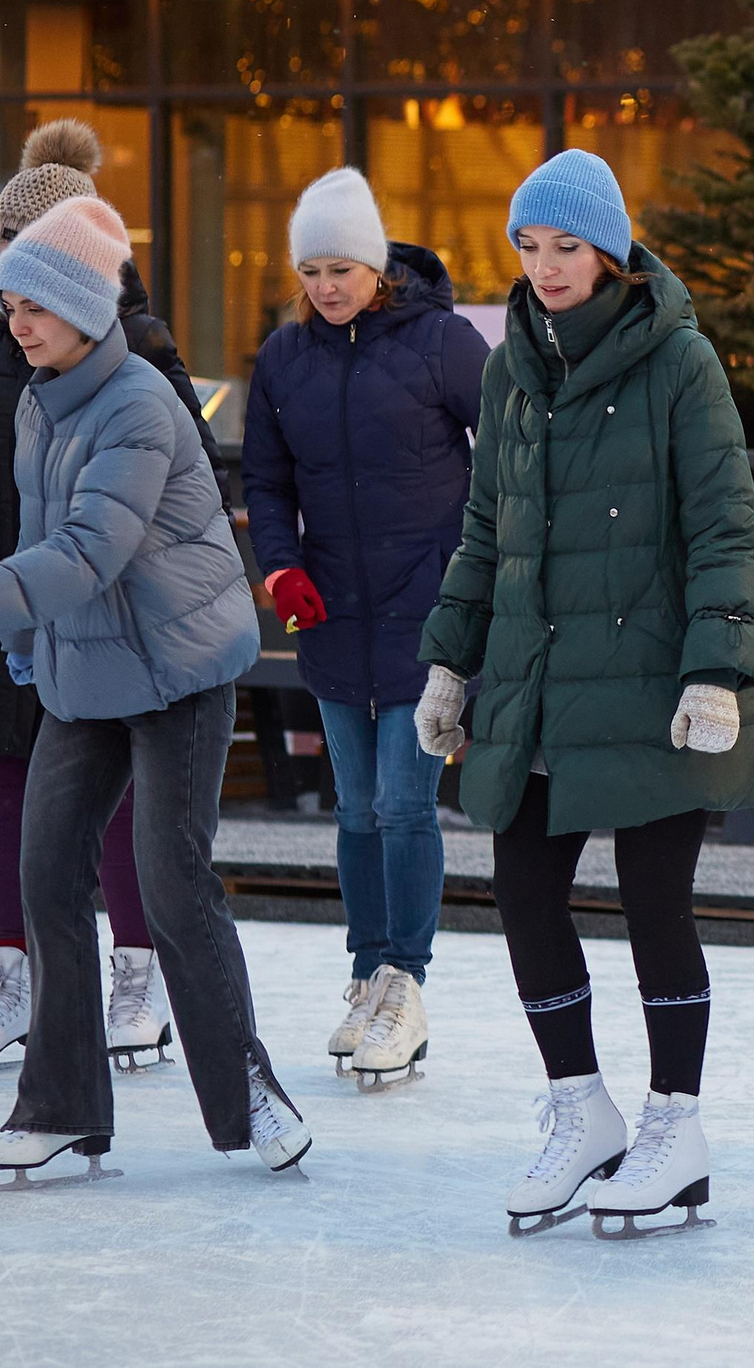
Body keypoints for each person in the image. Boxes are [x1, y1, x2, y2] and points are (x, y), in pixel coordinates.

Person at [0, 195, 299, 1184]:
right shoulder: (39, 399)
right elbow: (43, 545)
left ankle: (247, 1088)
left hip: (179, 672)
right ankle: (63, 1106)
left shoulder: (141, 408)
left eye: (33, 305)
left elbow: (87, 552)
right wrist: (31, 638)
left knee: (170, 883)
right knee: (46, 875)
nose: (17, 323)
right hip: (88, 670)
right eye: (8, 306)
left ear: (82, 305)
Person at [415, 148, 754, 1238]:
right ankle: (582, 1111)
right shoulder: (507, 364)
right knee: (523, 894)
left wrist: (714, 670)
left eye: (567, 246)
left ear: (609, 252)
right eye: (529, 245)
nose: (547, 265)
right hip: (532, 674)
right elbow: (486, 530)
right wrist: (448, 659)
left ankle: (675, 1125)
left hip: (650, 677)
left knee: (655, 904)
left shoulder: (679, 361)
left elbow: (722, 525)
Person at [0, 119, 217, 1074]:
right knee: (4, 788)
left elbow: (190, 475)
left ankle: (134, 970)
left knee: (114, 795)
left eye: (25, 265)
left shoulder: (142, 345)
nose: (8, 296)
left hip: (108, 608)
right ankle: (17, 970)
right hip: (5, 596)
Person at [243, 168, 487, 1089]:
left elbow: (509, 451)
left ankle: (406, 985)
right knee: (351, 809)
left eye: (341, 265)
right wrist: (280, 564)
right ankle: (367, 972)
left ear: (376, 264)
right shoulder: (284, 357)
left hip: (428, 617)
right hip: (333, 613)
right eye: (310, 269)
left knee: (403, 802)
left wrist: (474, 577)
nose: (325, 285)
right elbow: (265, 481)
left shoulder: (443, 344)